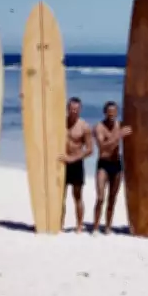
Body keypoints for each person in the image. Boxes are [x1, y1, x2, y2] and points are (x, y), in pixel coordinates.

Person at [91, 101, 132, 234]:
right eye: (109, 113)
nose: (111, 115)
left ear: (117, 113)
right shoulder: (98, 127)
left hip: (117, 164)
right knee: (100, 197)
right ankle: (96, 227)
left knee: (112, 199)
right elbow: (102, 147)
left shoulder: (120, 125)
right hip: (103, 164)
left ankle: (108, 227)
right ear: (105, 113)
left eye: (114, 112)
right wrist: (117, 136)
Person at [59, 97, 93, 233]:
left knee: (77, 196)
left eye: (76, 109)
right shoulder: (60, 123)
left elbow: (90, 150)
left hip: (76, 163)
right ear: (67, 108)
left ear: (80, 110)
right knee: (60, 196)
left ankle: (79, 225)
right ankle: (59, 223)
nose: (73, 111)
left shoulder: (84, 126)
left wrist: (72, 159)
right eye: (71, 108)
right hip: (61, 162)